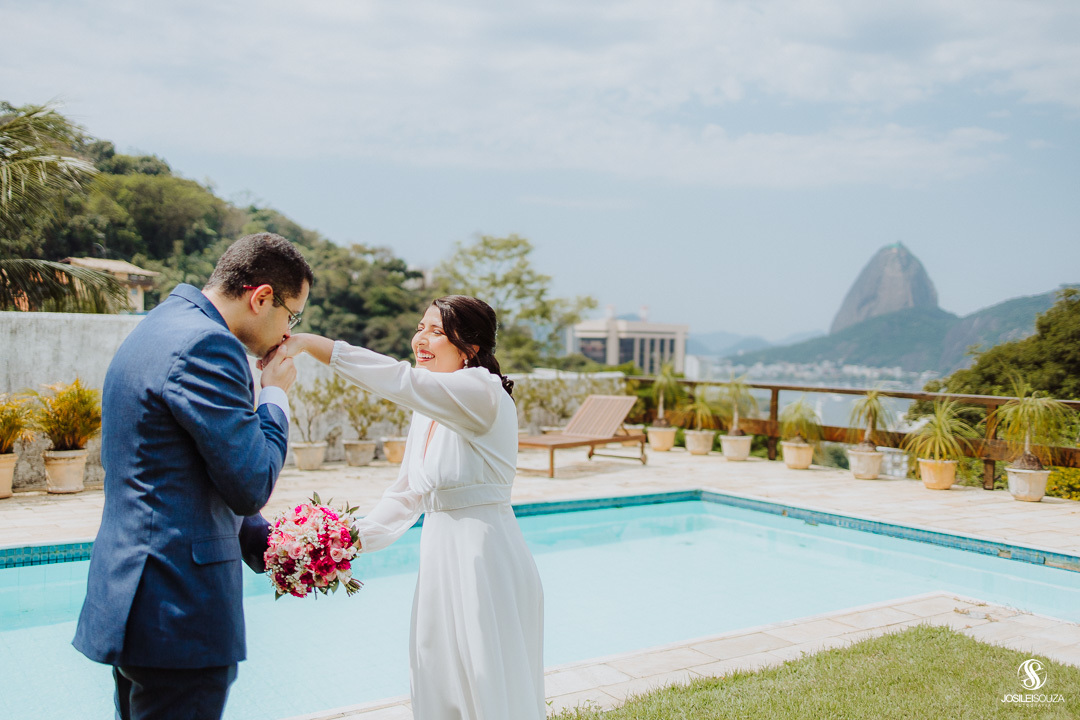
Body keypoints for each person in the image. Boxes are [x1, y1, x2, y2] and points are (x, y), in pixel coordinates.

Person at [73, 232, 314, 720]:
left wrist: (272, 547)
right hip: (177, 610)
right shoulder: (210, 346)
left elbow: (173, 468)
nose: (288, 332)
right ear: (261, 297)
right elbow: (251, 484)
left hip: (135, 595)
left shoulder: (159, 325)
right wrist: (274, 396)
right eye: (292, 315)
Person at [281, 295, 545, 719]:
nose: (421, 339)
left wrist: (313, 343)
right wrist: (340, 541)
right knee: (437, 673)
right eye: (420, 327)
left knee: (486, 680)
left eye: (436, 331)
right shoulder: (430, 410)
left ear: (471, 348)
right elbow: (406, 495)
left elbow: (399, 380)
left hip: (483, 557)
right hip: (440, 557)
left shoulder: (481, 391)